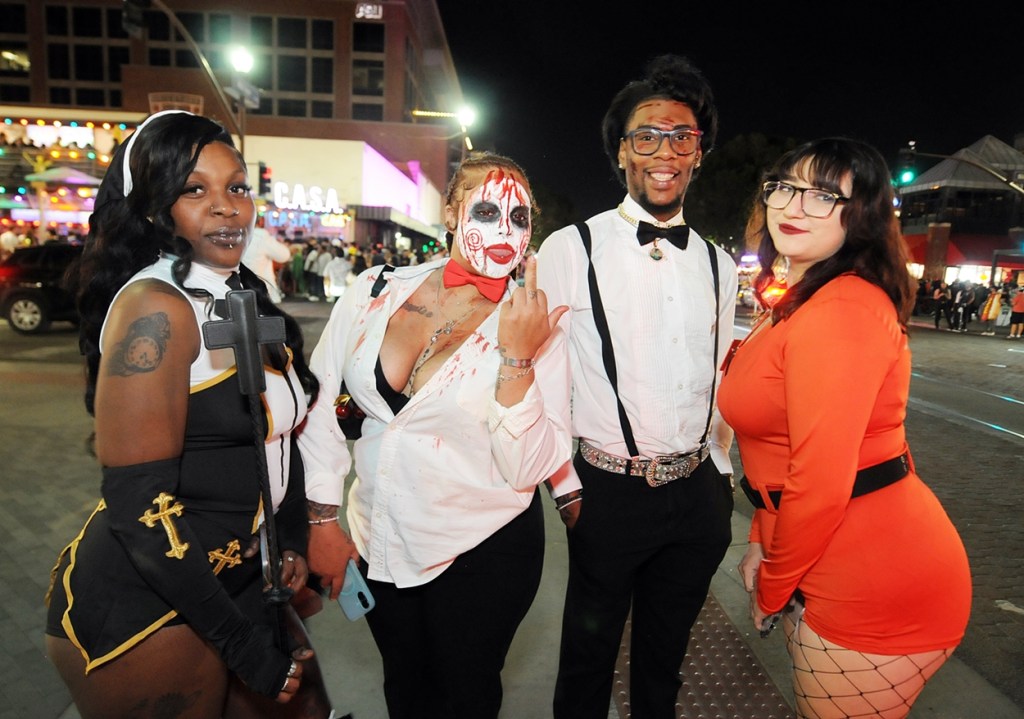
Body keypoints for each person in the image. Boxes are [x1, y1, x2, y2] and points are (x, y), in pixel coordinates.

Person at [45, 110, 336, 719]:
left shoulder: (240, 292)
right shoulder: (156, 307)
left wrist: (289, 537)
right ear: (155, 208)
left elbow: (276, 439)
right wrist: (241, 647)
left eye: (236, 187)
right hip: (149, 600)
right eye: (194, 190)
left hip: (237, 580)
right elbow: (138, 506)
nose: (227, 207)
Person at [298, 152, 572, 719]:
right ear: (450, 212)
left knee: (465, 698)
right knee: (404, 690)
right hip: (378, 535)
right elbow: (319, 403)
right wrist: (322, 519)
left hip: (482, 545)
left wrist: (518, 358)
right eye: (488, 210)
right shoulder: (375, 290)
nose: (505, 230)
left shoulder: (535, 321)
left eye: (520, 220)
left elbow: (529, 467)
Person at [718, 137, 972, 719]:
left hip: (872, 582)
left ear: (862, 215)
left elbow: (821, 478)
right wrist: (762, 535)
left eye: (823, 195)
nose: (793, 206)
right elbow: (776, 447)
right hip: (822, 561)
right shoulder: (801, 298)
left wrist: (774, 586)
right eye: (784, 187)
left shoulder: (842, 309)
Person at [536, 54, 738, 719]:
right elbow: (544, 376)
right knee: (586, 666)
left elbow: (713, 377)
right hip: (607, 494)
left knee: (664, 664)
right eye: (646, 135)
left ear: (699, 153)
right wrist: (566, 489)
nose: (665, 151)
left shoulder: (720, 264)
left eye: (683, 135)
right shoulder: (571, 248)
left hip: (696, 499)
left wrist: (720, 473)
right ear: (620, 152)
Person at [243, 221, 292, 303]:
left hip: (237, 287)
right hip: (260, 287)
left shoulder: (234, 236)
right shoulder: (260, 236)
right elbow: (284, 255)